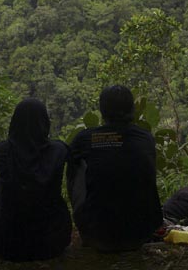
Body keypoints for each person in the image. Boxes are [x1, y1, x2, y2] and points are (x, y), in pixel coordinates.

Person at [67, 85, 163, 252]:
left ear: (102, 110)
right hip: (140, 235)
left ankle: (86, 222)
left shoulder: (84, 139)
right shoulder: (145, 138)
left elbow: (71, 179)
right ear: (132, 109)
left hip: (98, 235)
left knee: (76, 166)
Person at [0, 98, 71, 261]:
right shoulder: (58, 151)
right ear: (44, 122)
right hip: (51, 242)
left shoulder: (1, 151)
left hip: (4, 242)